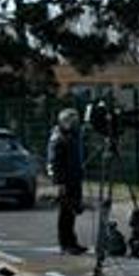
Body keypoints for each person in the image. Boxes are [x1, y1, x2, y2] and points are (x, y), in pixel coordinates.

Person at [46, 108, 87, 255]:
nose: (75, 124)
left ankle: (72, 241)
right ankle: (66, 243)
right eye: (71, 121)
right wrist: (59, 183)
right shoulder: (58, 137)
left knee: (73, 210)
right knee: (66, 212)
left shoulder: (74, 136)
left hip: (75, 178)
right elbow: (53, 162)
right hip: (65, 180)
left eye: (76, 120)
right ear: (63, 121)